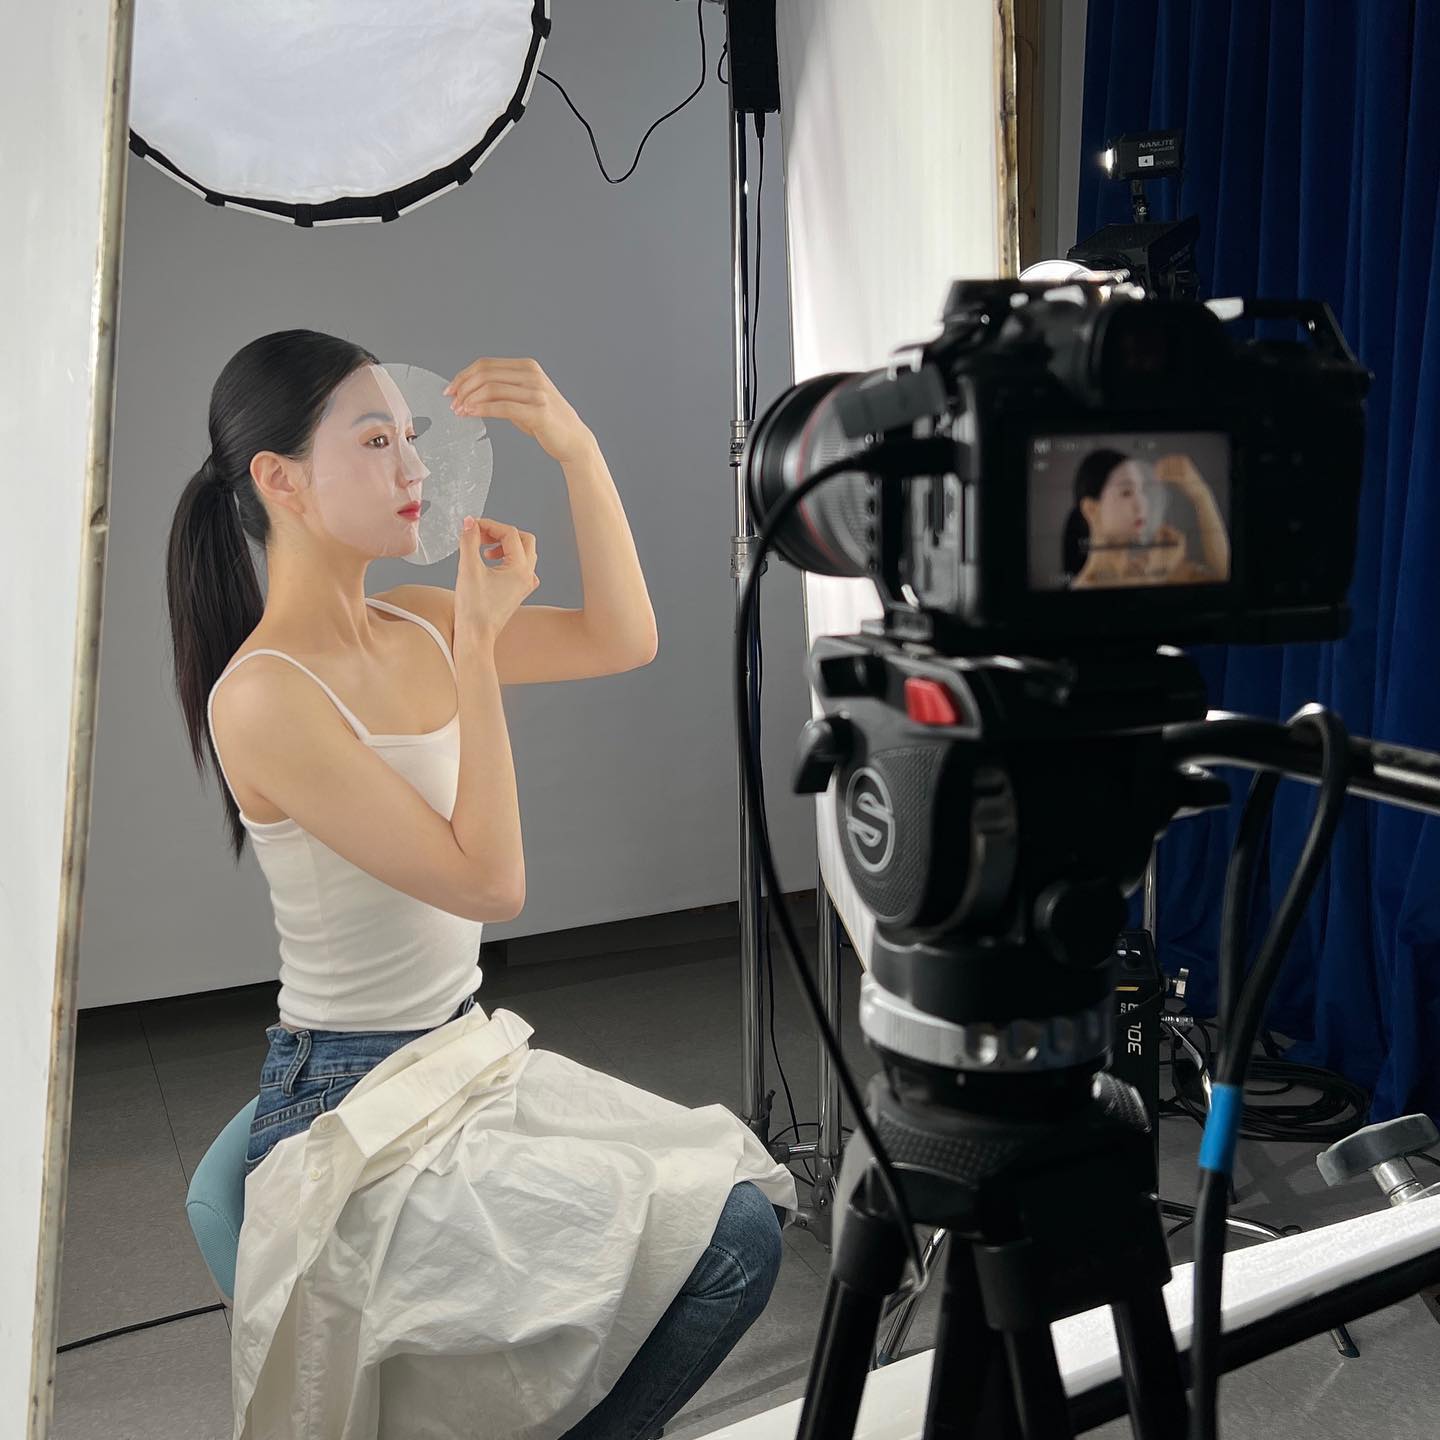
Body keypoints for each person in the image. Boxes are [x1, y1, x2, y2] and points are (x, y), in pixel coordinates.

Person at [165, 330, 795, 1440]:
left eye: (412, 436)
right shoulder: (262, 696)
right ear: (280, 481)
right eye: (375, 442)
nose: (415, 467)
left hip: (461, 1058)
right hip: (350, 1103)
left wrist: (576, 449)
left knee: (738, 1219)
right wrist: (477, 655)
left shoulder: (417, 617)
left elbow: (624, 636)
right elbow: (490, 883)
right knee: (729, 1242)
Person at [1061, 447, 1231, 589]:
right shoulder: (1084, 588)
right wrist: (1156, 575)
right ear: (1091, 509)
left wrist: (1201, 495)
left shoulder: (1145, 567)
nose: (1142, 504)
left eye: (1142, 491)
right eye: (1126, 492)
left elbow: (1224, 576)